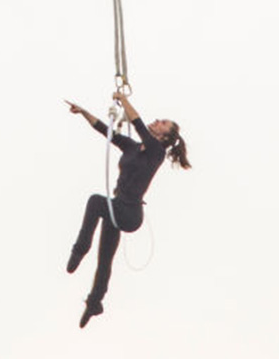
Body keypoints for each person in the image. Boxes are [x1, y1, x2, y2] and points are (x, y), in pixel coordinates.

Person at [63, 90, 190, 328]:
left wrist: (123, 99)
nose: (157, 121)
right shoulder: (133, 147)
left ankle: (80, 249)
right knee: (105, 259)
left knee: (95, 201)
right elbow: (105, 131)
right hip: (116, 209)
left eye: (163, 123)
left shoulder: (156, 152)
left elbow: (137, 122)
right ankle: (95, 303)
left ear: (165, 136)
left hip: (130, 213)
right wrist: (83, 112)